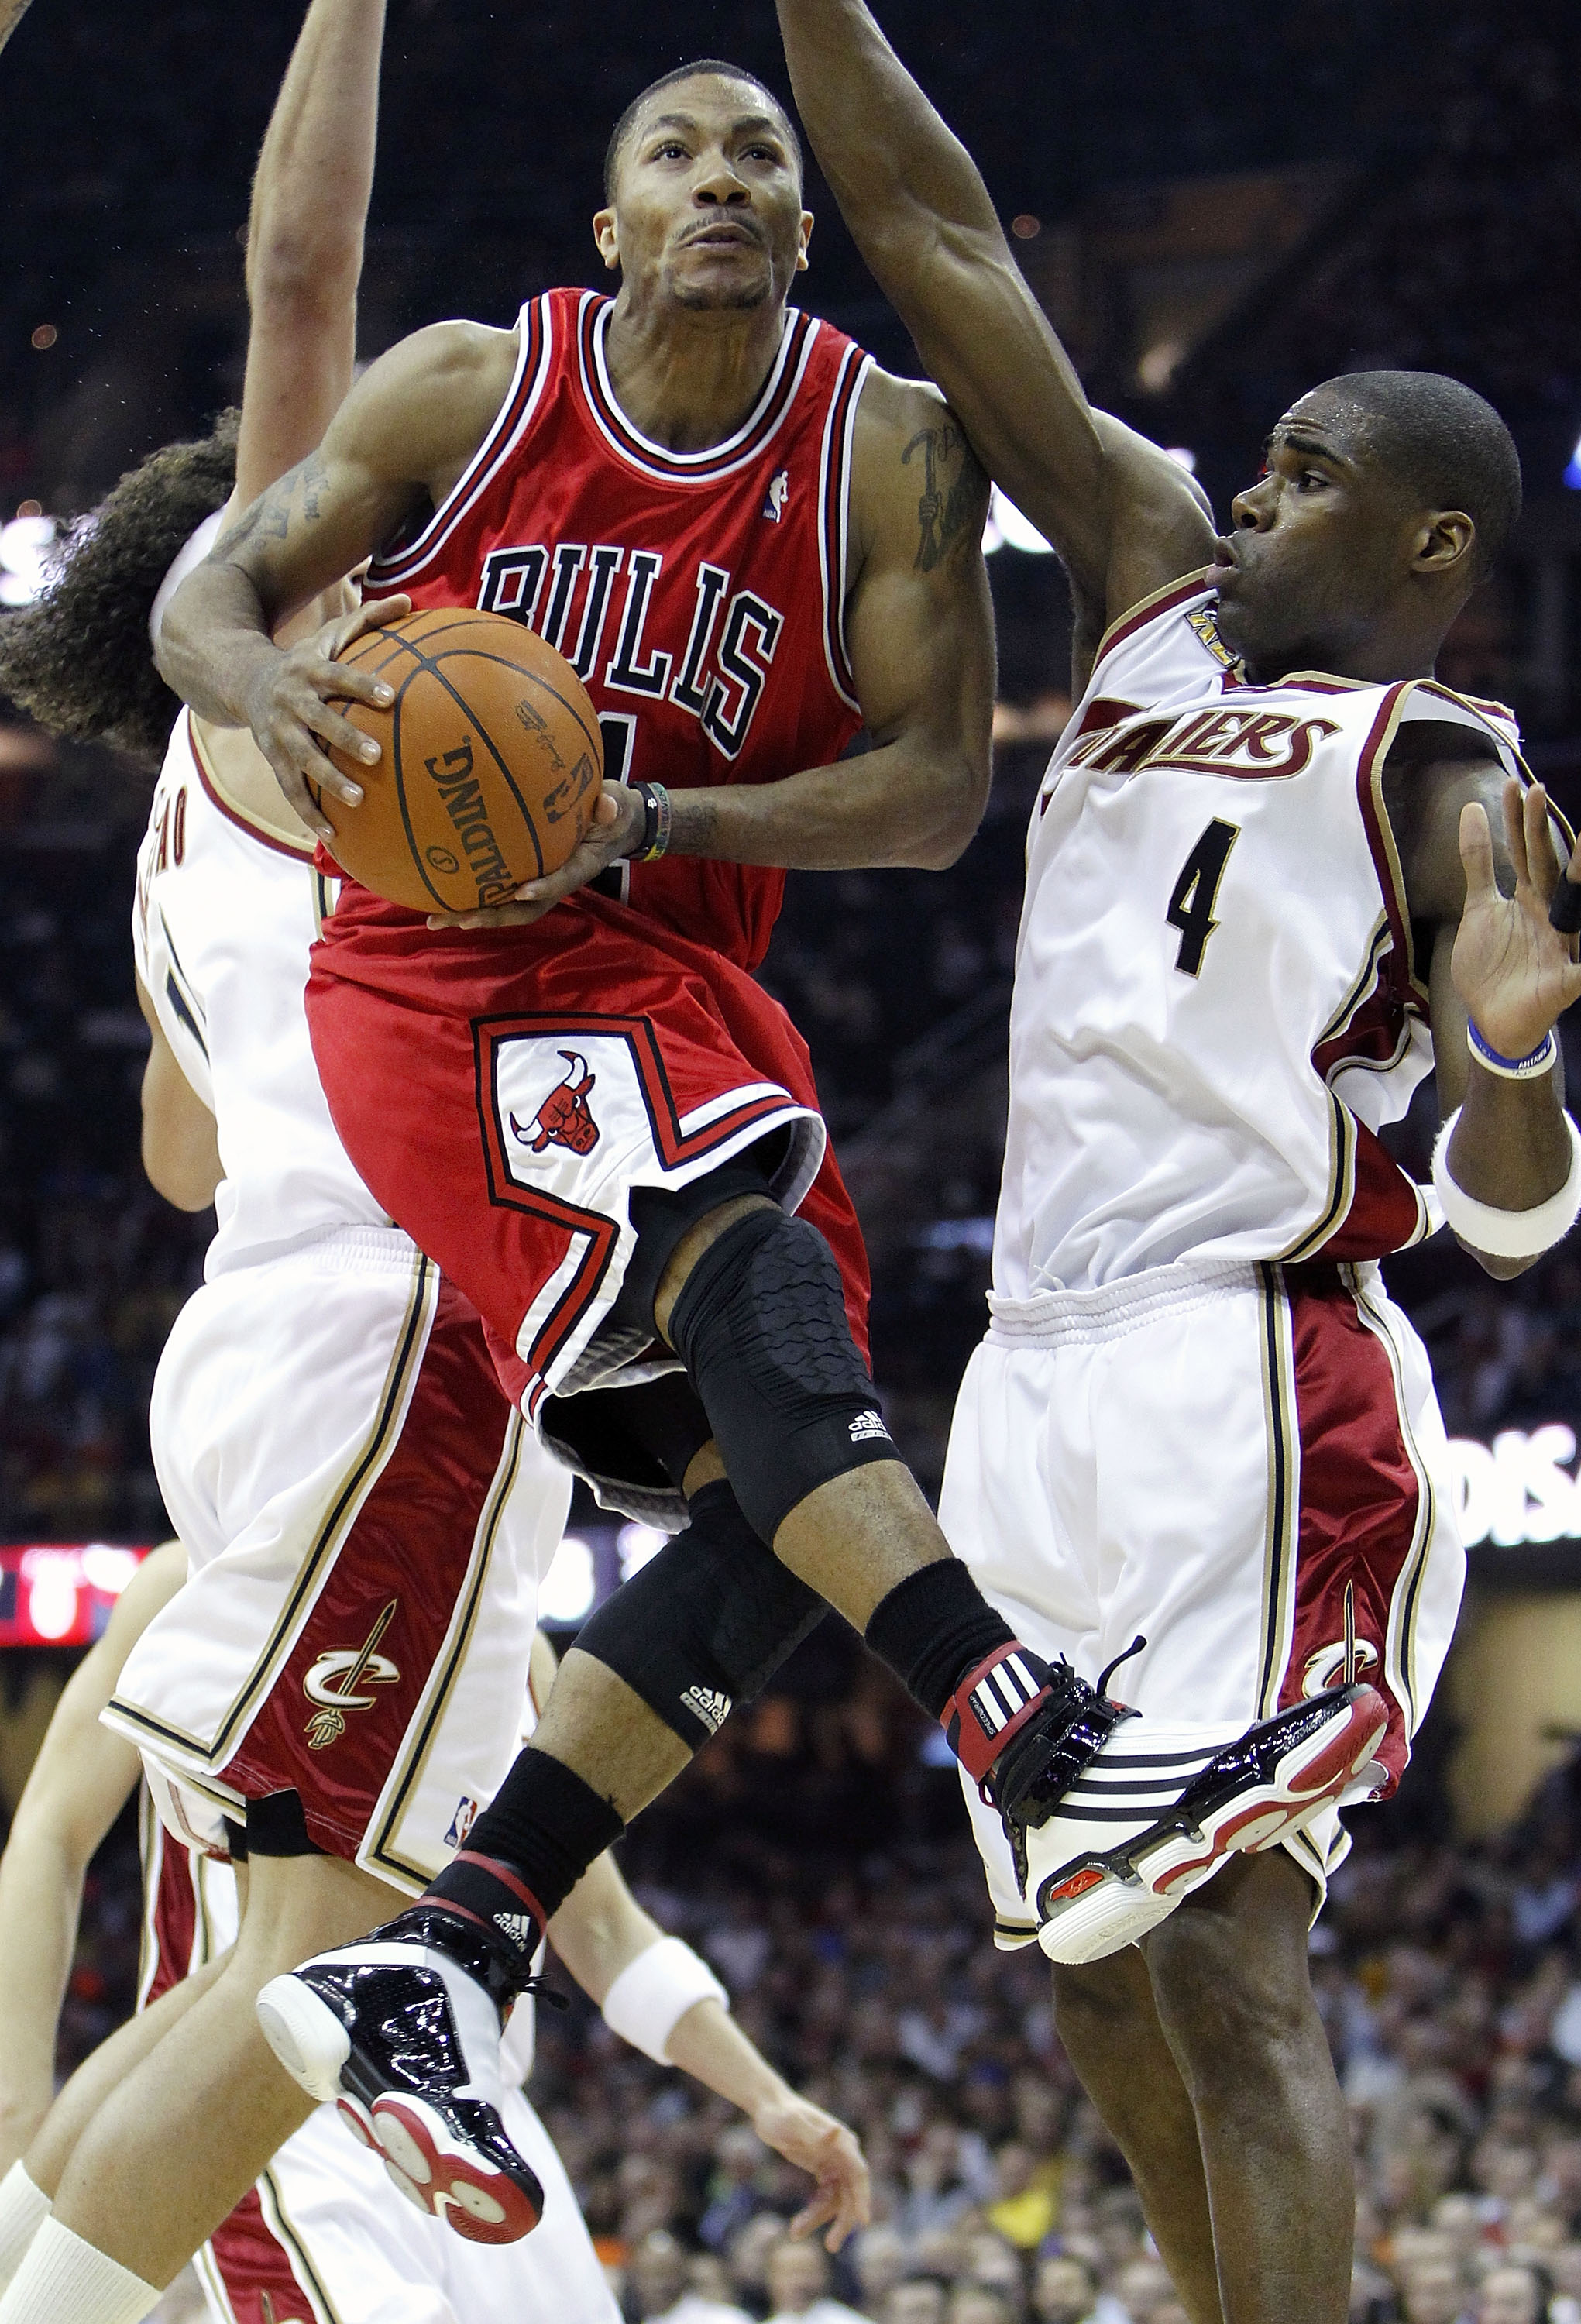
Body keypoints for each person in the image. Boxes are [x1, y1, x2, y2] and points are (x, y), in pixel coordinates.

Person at [157, 53, 1380, 2240]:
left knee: (780, 1510)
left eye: (758, 161)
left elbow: (928, 795)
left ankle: (457, 1947)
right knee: (749, 1268)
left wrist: (648, 820)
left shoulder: (878, 446)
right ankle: (1027, 1739)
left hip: (683, 980)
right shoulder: (469, 388)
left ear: (800, 235)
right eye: (673, 154)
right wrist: (252, 693)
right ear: (608, 222)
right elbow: (203, 598)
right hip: (442, 976)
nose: (721, 181)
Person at [0, 13, 863, 2322]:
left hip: (256, 1346)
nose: (406, 538)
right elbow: (303, 274)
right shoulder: (298, 686)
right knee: (313, 1975)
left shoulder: (186, 836)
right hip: (395, 1344)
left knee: (273, 1973)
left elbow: (183, 1152)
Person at [768, 8, 1581, 2324]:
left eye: (1304, 470)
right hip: (1024, 1384)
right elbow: (931, 233)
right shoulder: (1142, 570)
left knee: (1230, 1962)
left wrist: (1509, 1054)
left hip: (1244, 1385)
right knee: (1093, 1987)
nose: (1246, 484)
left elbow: (1511, 1200)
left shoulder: (1441, 779)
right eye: (1254, 453)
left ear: (1424, 538)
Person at [0, 1549, 868, 2324]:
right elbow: (49, 1834)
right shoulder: (194, 1577)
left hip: (482, 2116)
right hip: (271, 2103)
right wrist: (17, 2112)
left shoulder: (519, 1646)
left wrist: (767, 2098)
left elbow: (601, 1925)